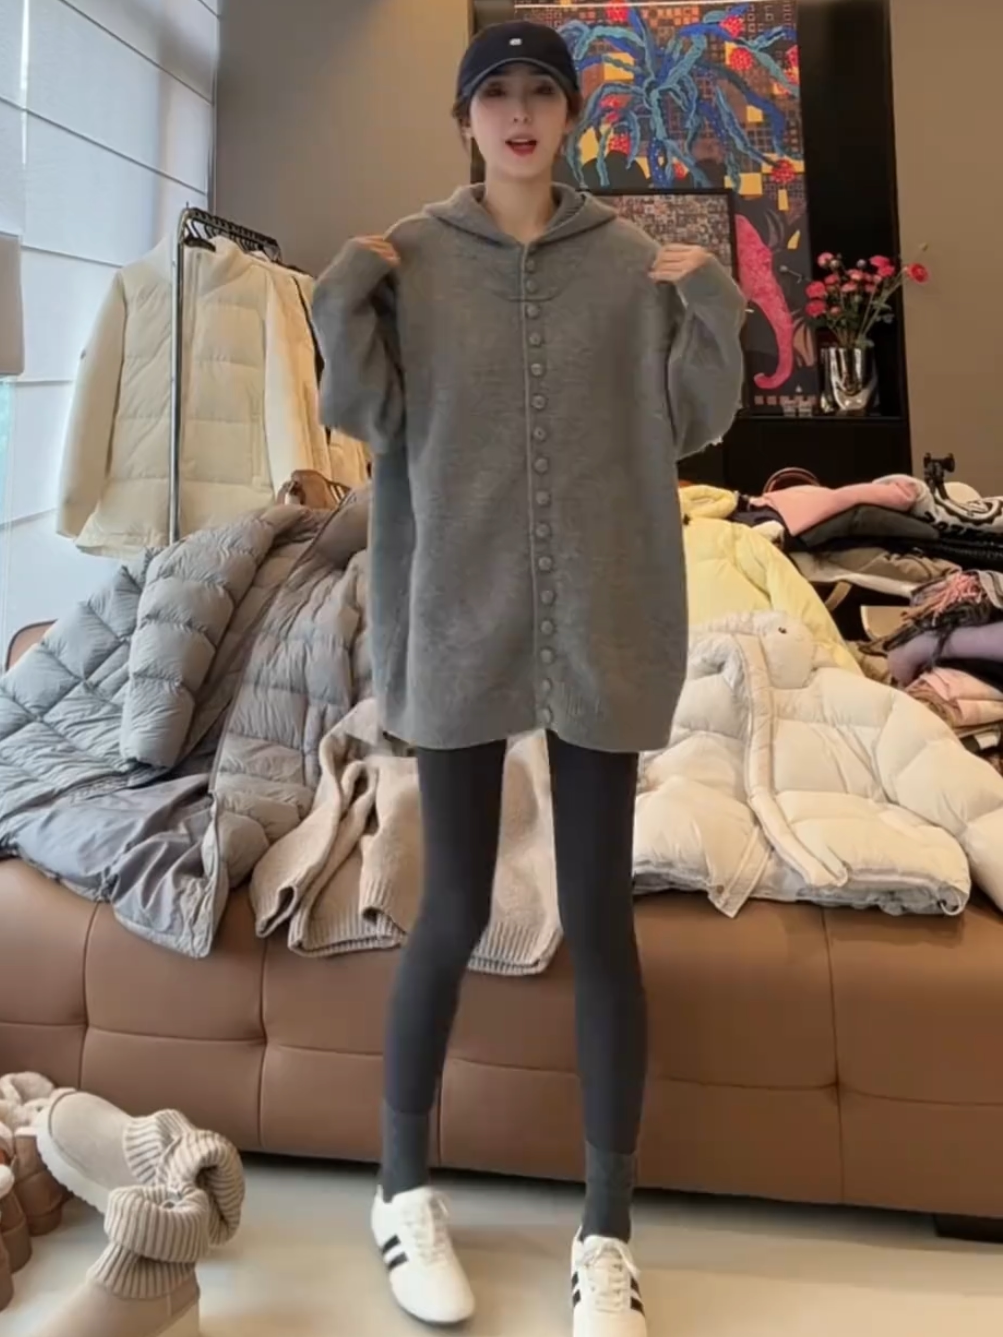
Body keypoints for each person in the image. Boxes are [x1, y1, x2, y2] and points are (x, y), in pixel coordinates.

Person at [312, 20, 746, 1336]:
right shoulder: (412, 258)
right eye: (493, 92)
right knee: (447, 908)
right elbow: (361, 415)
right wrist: (340, 296)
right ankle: (399, 1191)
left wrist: (711, 305)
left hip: (602, 621)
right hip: (455, 617)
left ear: (569, 116)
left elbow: (695, 421)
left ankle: (605, 1232)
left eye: (539, 93)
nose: (516, 113)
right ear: (464, 117)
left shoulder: (628, 263)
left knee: (601, 919)